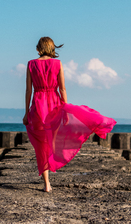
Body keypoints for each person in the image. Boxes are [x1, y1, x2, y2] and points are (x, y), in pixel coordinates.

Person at [23, 36, 117, 192]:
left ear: (38, 48)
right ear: (52, 48)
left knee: (41, 146)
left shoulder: (31, 64)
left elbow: (28, 90)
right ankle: (52, 169)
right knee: (51, 142)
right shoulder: (58, 64)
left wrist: (26, 113)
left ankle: (47, 184)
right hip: (54, 105)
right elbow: (62, 89)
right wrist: (65, 110)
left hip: (38, 106)